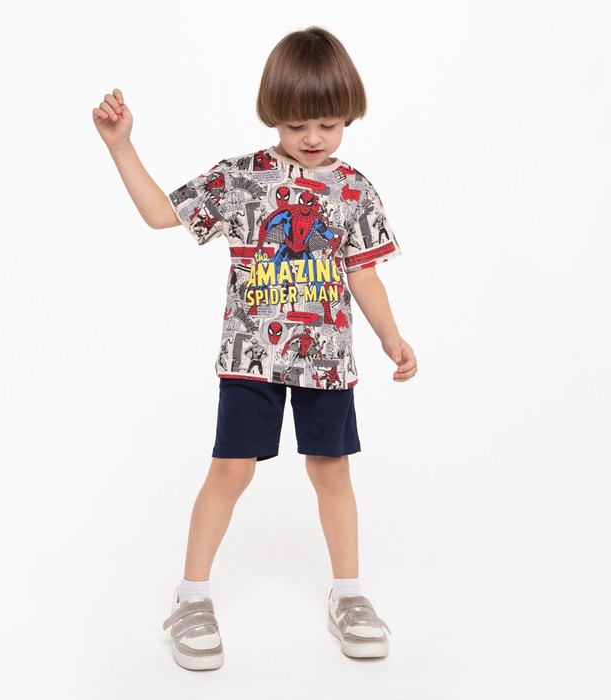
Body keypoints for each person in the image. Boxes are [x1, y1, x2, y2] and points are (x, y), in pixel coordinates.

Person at [92, 26, 417, 671]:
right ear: (273, 115)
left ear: (349, 116)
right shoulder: (242, 179)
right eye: (297, 124)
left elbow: (364, 274)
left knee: (332, 470)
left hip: (326, 362)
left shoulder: (355, 190)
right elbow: (161, 214)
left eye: (328, 124)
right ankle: (191, 597)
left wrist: (391, 337)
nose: (313, 137)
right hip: (252, 359)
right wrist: (122, 146)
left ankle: (349, 595)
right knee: (232, 469)